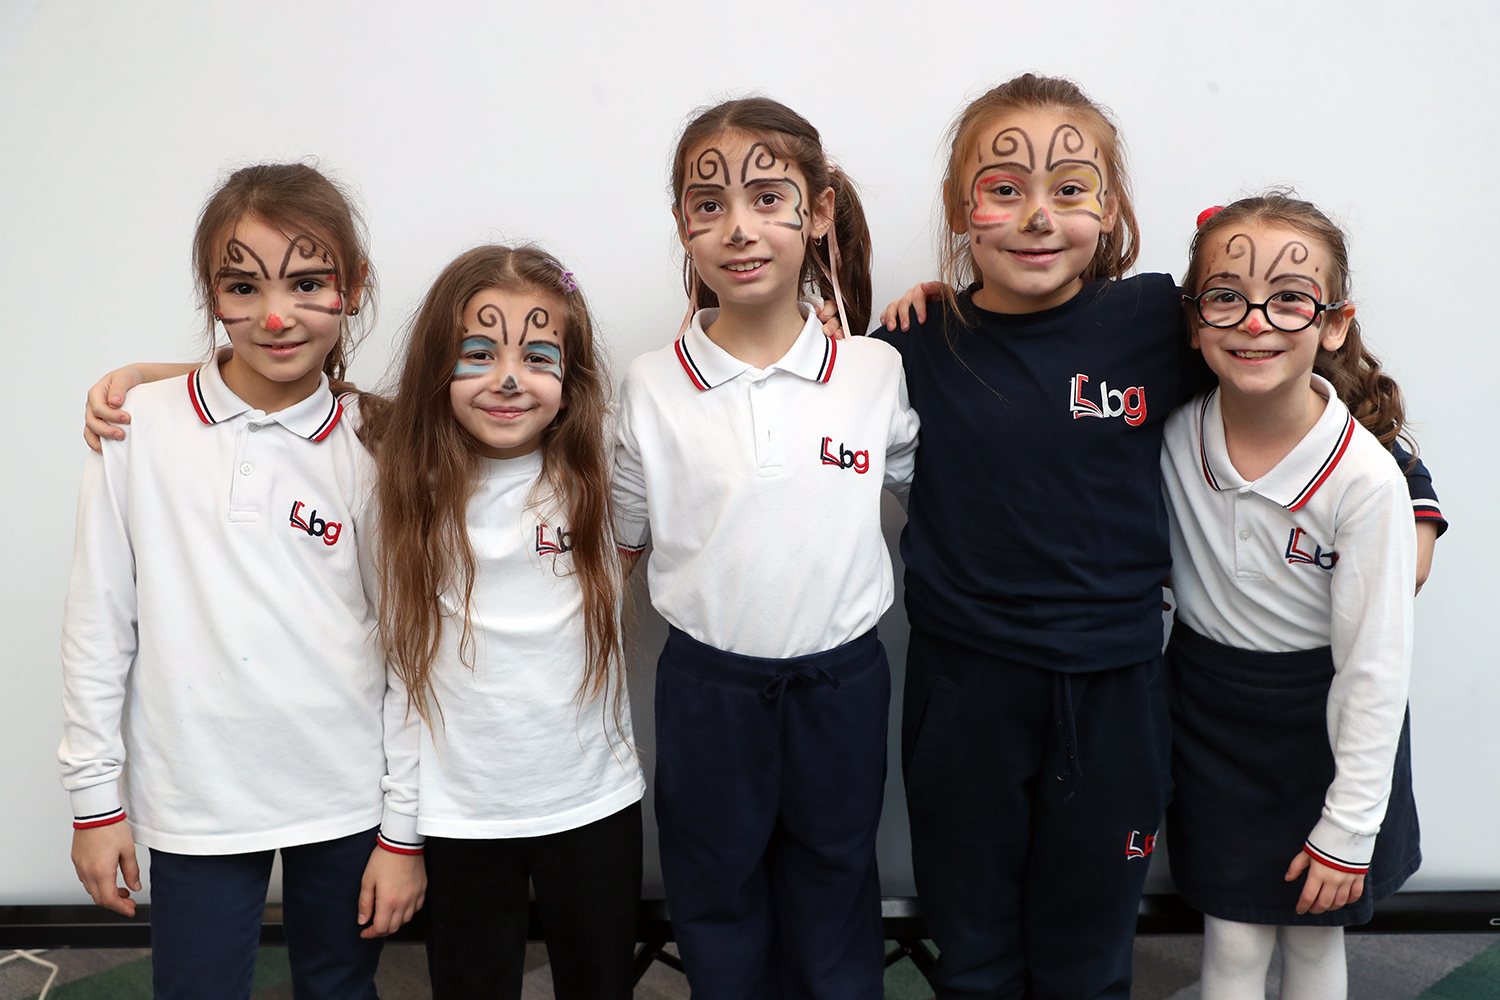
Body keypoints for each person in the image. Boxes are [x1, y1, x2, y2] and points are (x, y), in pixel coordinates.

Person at [870, 75, 1443, 999]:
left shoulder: (1152, 321)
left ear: (1111, 209)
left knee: (1090, 946)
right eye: (1005, 189)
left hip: (1116, 692)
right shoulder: (916, 343)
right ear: (960, 209)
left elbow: (1285, 375)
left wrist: (1411, 499)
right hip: (964, 689)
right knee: (972, 940)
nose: (1038, 216)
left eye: (1069, 189)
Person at [60, 163, 425, 1000]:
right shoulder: (135, 426)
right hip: (196, 795)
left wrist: (402, 829)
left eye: (307, 283)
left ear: (353, 285)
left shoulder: (378, 443)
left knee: (339, 987)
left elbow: (410, 650)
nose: (276, 315)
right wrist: (93, 802)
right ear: (211, 293)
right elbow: (97, 624)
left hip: (346, 794)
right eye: (242, 286)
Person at [612, 97, 919, 998]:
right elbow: (620, 542)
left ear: (817, 212)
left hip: (843, 684)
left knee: (836, 882)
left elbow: (933, 491)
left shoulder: (873, 370)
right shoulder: (651, 385)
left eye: (767, 199)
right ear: (683, 225)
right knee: (716, 891)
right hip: (708, 689)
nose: (738, 229)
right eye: (709, 205)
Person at [365, 244, 645, 999]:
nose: (509, 379)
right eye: (480, 354)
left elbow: (704, 397)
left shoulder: (606, 458)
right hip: (461, 814)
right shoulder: (403, 478)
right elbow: (289, 387)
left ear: (571, 375)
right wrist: (401, 833)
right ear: (438, 366)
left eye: (538, 356)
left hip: (592, 803)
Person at [1163, 194, 1423, 1000]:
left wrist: (1349, 824)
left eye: (1288, 299)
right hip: (1209, 718)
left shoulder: (1366, 481)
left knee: (1314, 938)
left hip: (1327, 725)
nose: (1255, 322)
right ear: (1195, 319)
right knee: (1232, 938)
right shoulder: (1170, 434)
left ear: (1334, 324)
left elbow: (1375, 667)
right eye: (1227, 296)